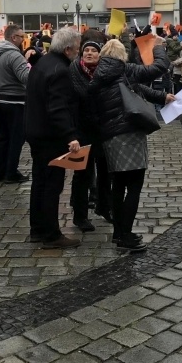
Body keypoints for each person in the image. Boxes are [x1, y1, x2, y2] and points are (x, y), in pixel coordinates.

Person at [90, 39, 175, 253]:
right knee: (134, 186)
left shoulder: (101, 74)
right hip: (129, 133)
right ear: (121, 55)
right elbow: (160, 67)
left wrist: (162, 96)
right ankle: (127, 235)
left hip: (110, 136)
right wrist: (156, 46)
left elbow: (136, 90)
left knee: (118, 186)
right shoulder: (124, 68)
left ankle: (119, 233)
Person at [25, 27, 82, 248]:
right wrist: (70, 135)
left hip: (36, 132)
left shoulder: (44, 63)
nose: (78, 52)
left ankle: (37, 229)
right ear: (68, 49)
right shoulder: (60, 70)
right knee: (51, 185)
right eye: (77, 48)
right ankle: (51, 234)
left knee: (39, 182)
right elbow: (57, 107)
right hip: (50, 136)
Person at [69, 31, 110, 230]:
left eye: (94, 50)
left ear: (100, 54)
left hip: (102, 129)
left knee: (104, 171)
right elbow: (73, 101)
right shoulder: (74, 71)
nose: (90, 53)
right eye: (87, 50)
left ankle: (104, 207)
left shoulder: (105, 71)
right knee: (81, 174)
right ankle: (80, 215)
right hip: (82, 129)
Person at [0, 25, 31, 184]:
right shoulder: (14, 55)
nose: (23, 39)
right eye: (21, 36)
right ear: (13, 38)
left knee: (0, 137)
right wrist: (29, 65)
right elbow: (25, 77)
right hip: (15, 100)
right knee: (16, 138)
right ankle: (11, 173)